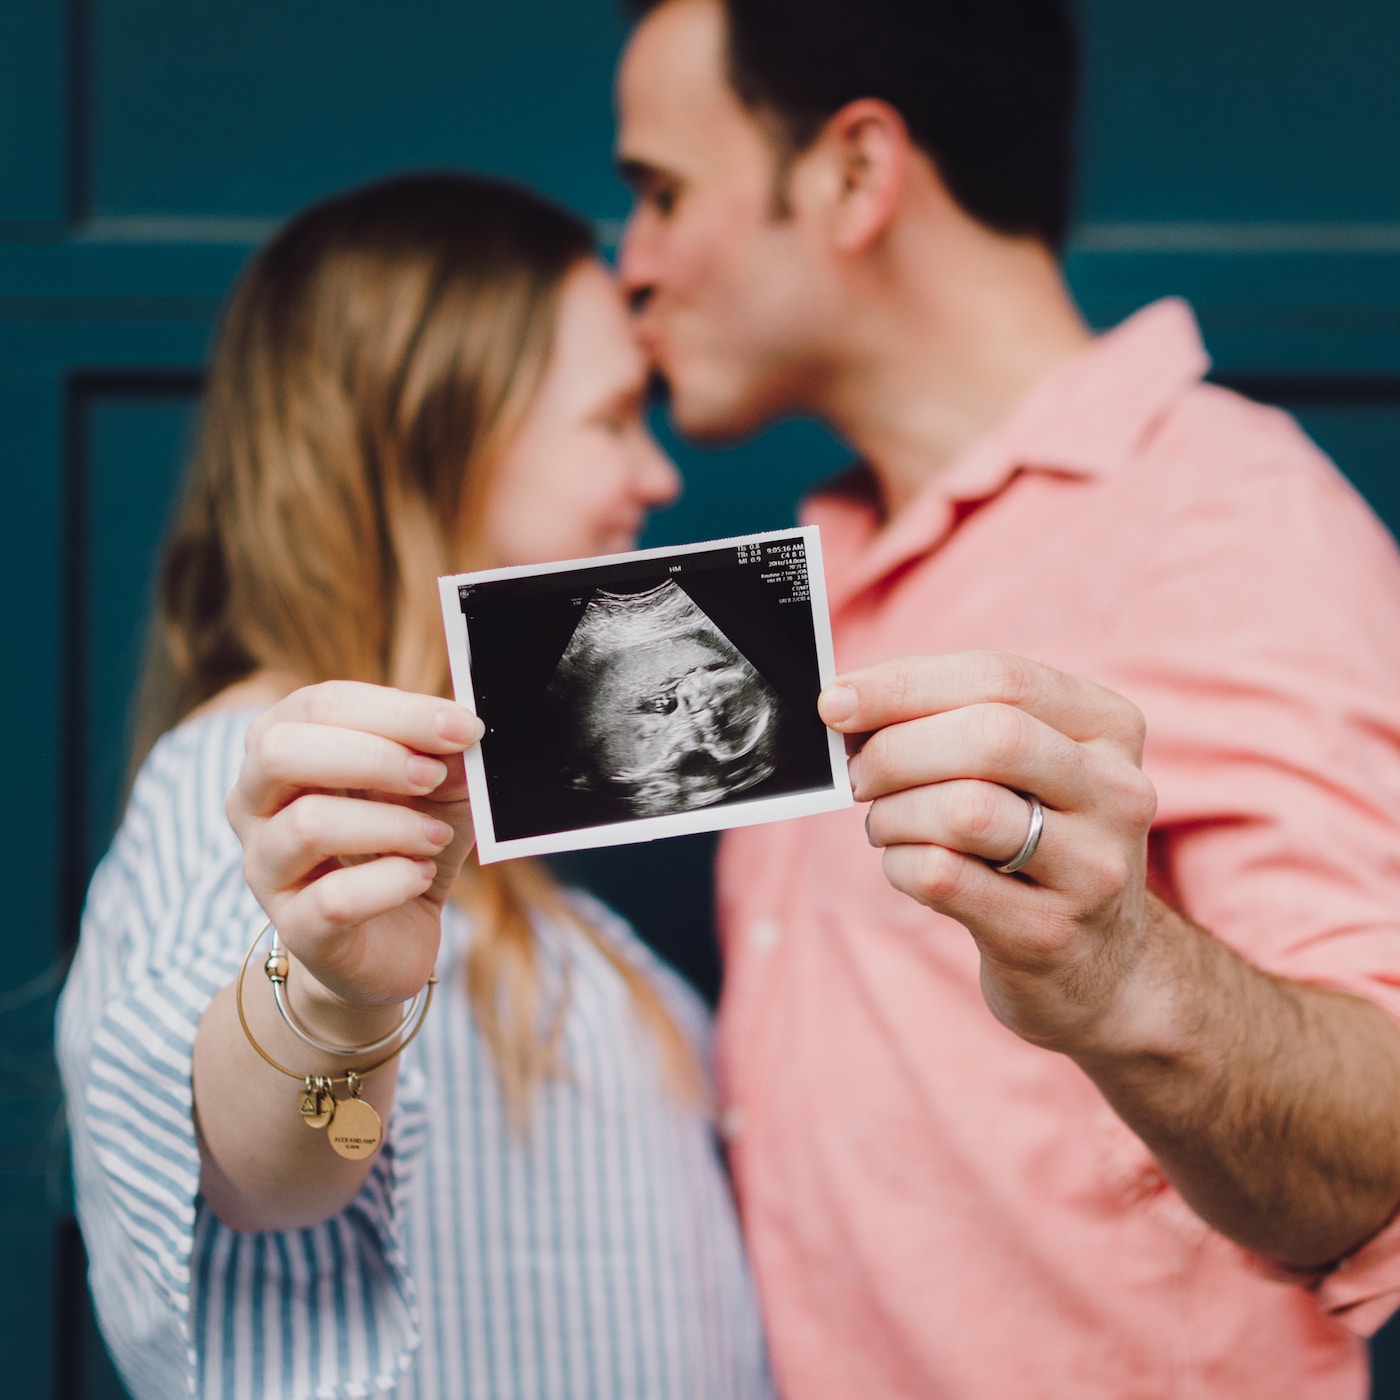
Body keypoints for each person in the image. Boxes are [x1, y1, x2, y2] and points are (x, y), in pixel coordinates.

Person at [613, 0, 1400, 1395]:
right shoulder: (809, 576)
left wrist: (1120, 970)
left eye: (662, 193)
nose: (635, 266)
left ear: (855, 173)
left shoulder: (1227, 518)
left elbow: (1377, 1161)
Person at [56, 171, 772, 1400]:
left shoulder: (487, 854)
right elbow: (265, 1170)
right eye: (608, 419)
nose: (656, 477)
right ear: (427, 437)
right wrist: (334, 1002)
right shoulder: (255, 794)